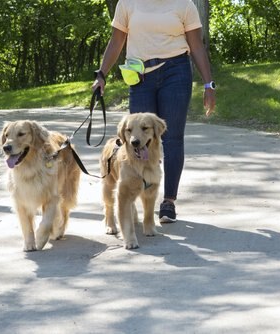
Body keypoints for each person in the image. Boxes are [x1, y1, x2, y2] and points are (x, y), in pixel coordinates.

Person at [92, 0, 216, 223]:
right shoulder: (127, 3)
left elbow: (196, 45)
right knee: (137, 139)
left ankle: (168, 202)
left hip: (176, 72)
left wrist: (209, 85)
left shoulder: (184, 4)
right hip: (140, 76)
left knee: (173, 138)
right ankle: (142, 197)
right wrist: (101, 74)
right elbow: (117, 40)